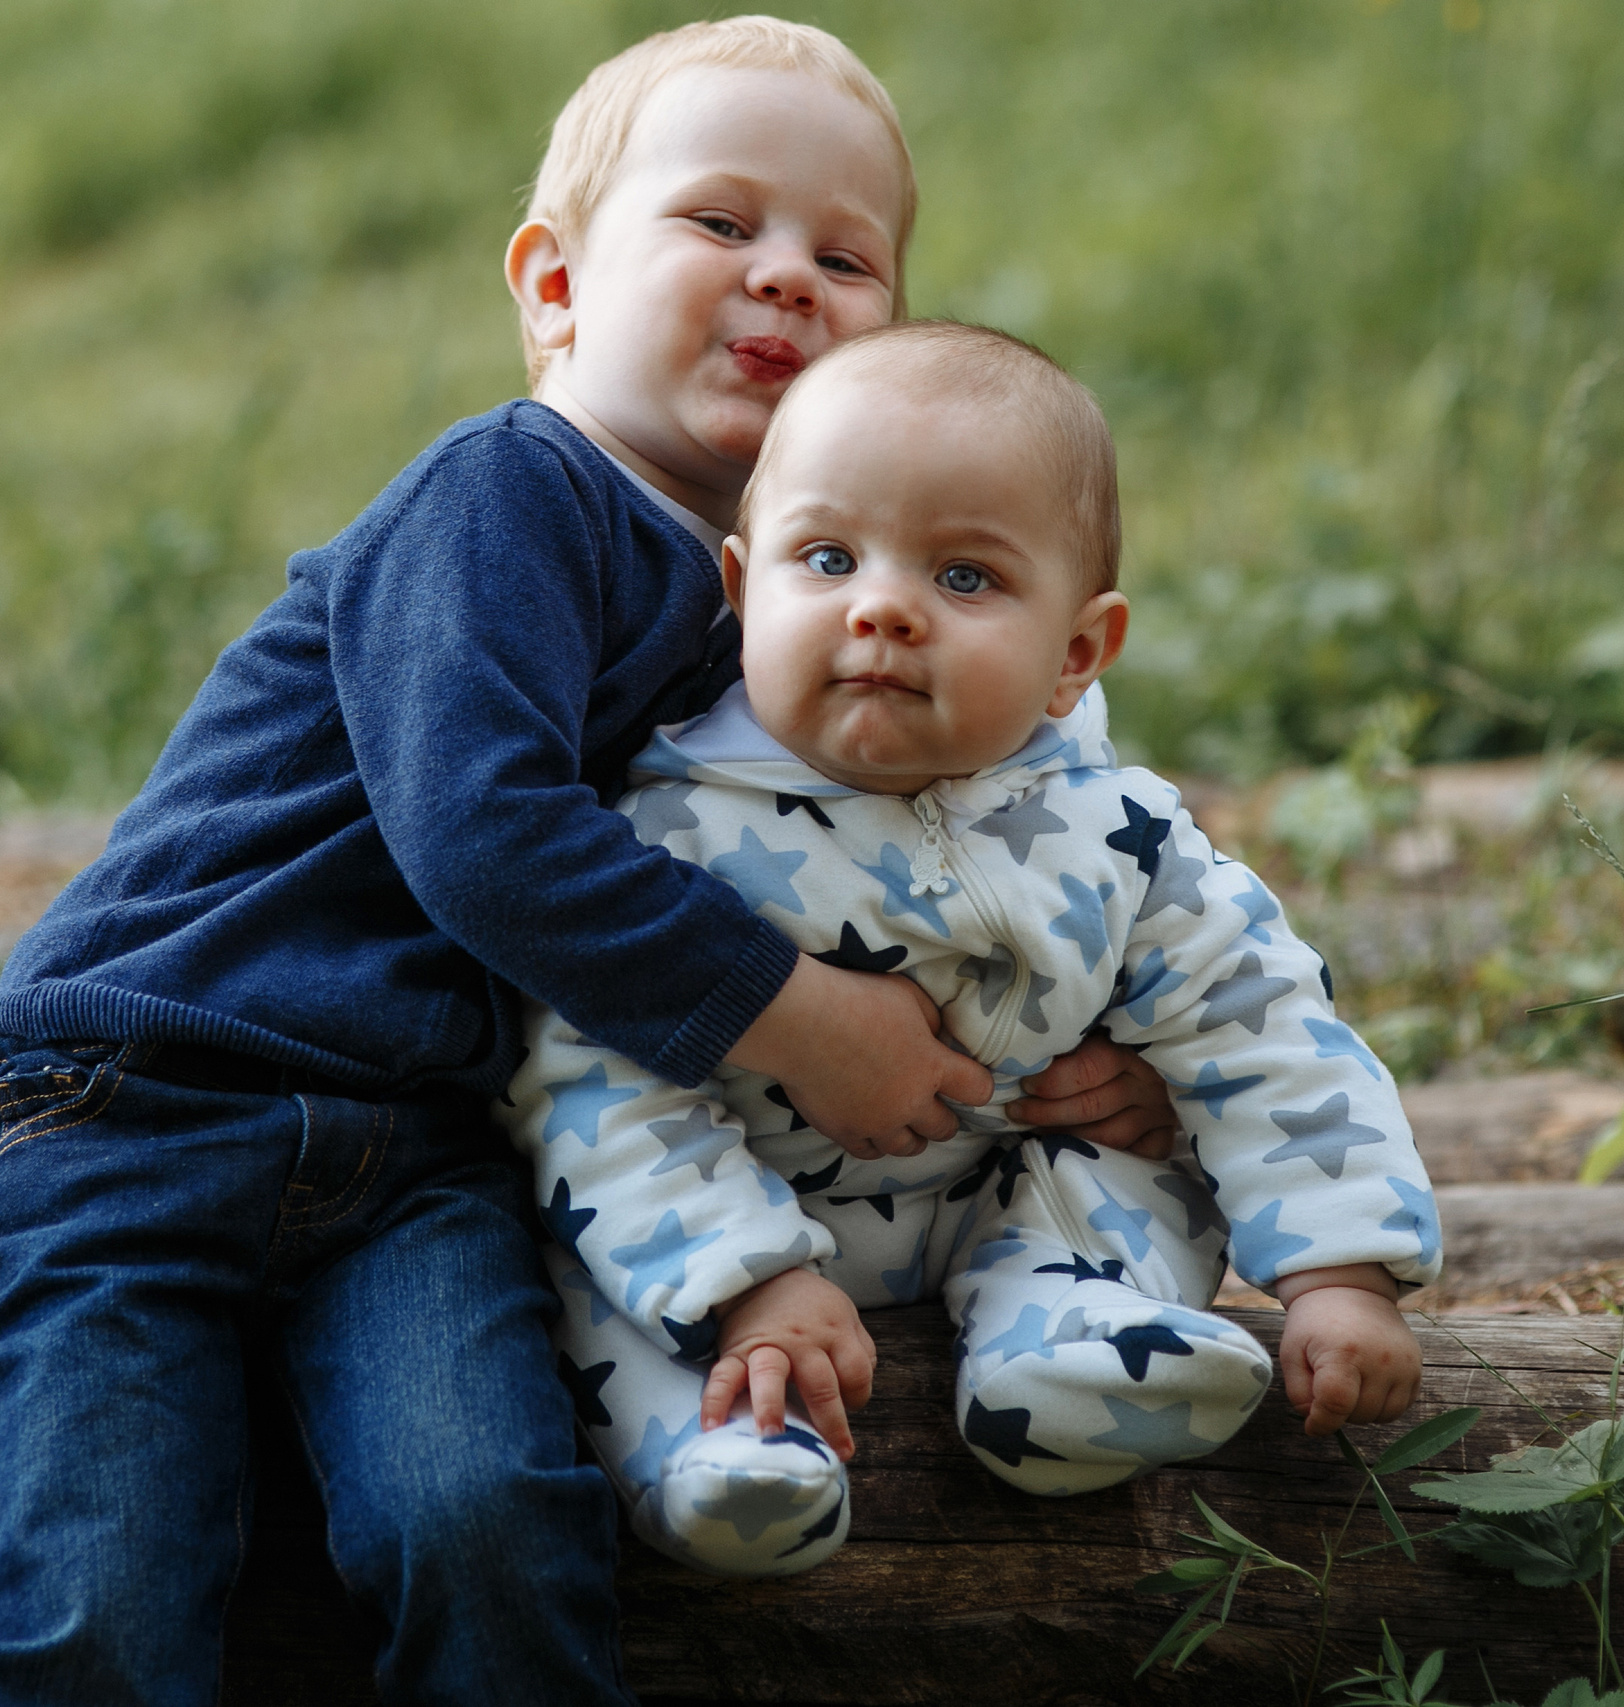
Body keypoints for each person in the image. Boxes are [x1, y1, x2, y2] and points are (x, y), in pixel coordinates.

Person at [0, 20, 1181, 1705]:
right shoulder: (507, 496)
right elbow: (488, 834)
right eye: (721, 224)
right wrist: (792, 1016)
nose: (787, 278)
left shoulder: (801, 602)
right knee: (103, 1597)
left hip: (432, 1155)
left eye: (845, 254)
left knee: (493, 1524)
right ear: (554, 285)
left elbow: (981, 818)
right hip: (154, 1089)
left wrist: (1095, 1048)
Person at [504, 319, 1443, 1577]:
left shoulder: (1118, 834)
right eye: (827, 558)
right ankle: (722, 1454)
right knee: (595, 1284)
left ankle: (1063, 1354)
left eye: (963, 579)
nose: (883, 609)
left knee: (1101, 1184)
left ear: (1075, 655)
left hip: (1003, 1197)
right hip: (732, 1223)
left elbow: (1265, 1024)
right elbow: (594, 1089)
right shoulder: (668, 839)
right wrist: (748, 1283)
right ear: (739, 593)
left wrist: (1340, 1273)